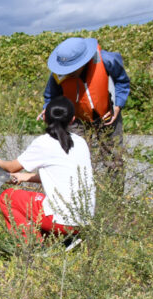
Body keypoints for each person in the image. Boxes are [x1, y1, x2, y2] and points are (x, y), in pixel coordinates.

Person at [0, 96, 95, 243]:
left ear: (44, 116)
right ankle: (64, 241)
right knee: (41, 202)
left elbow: (11, 167)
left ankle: (32, 246)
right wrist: (24, 177)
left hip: (61, 220)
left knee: (8, 197)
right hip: (84, 219)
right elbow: (62, 176)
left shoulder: (44, 142)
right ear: (72, 120)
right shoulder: (81, 142)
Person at [41, 37, 129, 194]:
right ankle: (81, 197)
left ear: (83, 62)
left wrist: (118, 105)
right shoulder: (58, 73)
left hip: (107, 116)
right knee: (76, 158)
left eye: (72, 69)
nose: (67, 73)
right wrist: (47, 109)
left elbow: (122, 82)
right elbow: (50, 96)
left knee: (114, 160)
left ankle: (116, 199)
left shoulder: (107, 60)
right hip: (77, 120)